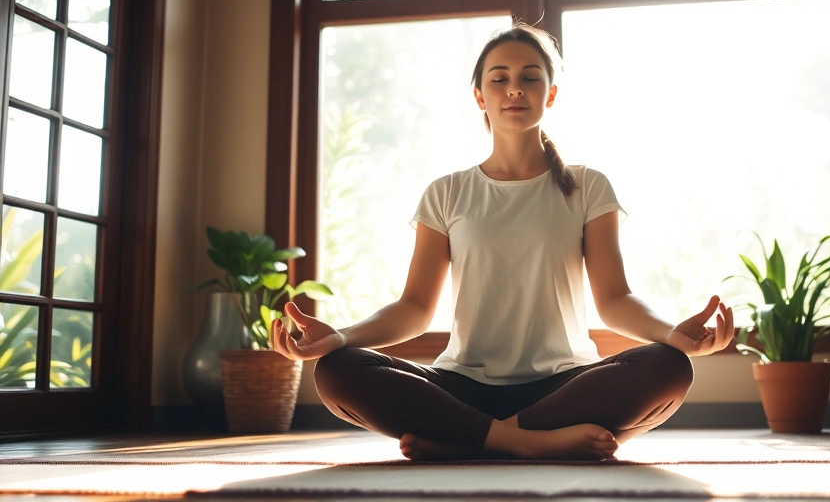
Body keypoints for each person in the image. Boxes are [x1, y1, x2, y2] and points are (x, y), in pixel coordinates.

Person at [271, 23, 735, 461]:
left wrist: (673, 334)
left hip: (564, 383)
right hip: (461, 384)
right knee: (336, 372)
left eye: (530, 77)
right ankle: (524, 441)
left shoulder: (587, 186)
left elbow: (614, 300)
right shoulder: (447, 192)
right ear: (480, 96)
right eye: (500, 78)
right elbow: (414, 307)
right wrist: (341, 337)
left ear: (550, 95)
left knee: (670, 367)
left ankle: (467, 440)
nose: (515, 88)